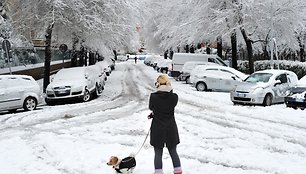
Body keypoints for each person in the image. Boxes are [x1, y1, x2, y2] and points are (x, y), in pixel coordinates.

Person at [148, 74, 183, 174]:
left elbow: (152, 107)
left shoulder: (153, 97)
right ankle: (178, 171)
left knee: (158, 153)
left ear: (158, 84)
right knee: (173, 151)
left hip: (157, 128)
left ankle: (158, 172)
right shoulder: (174, 97)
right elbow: (168, 106)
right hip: (171, 127)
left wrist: (153, 114)